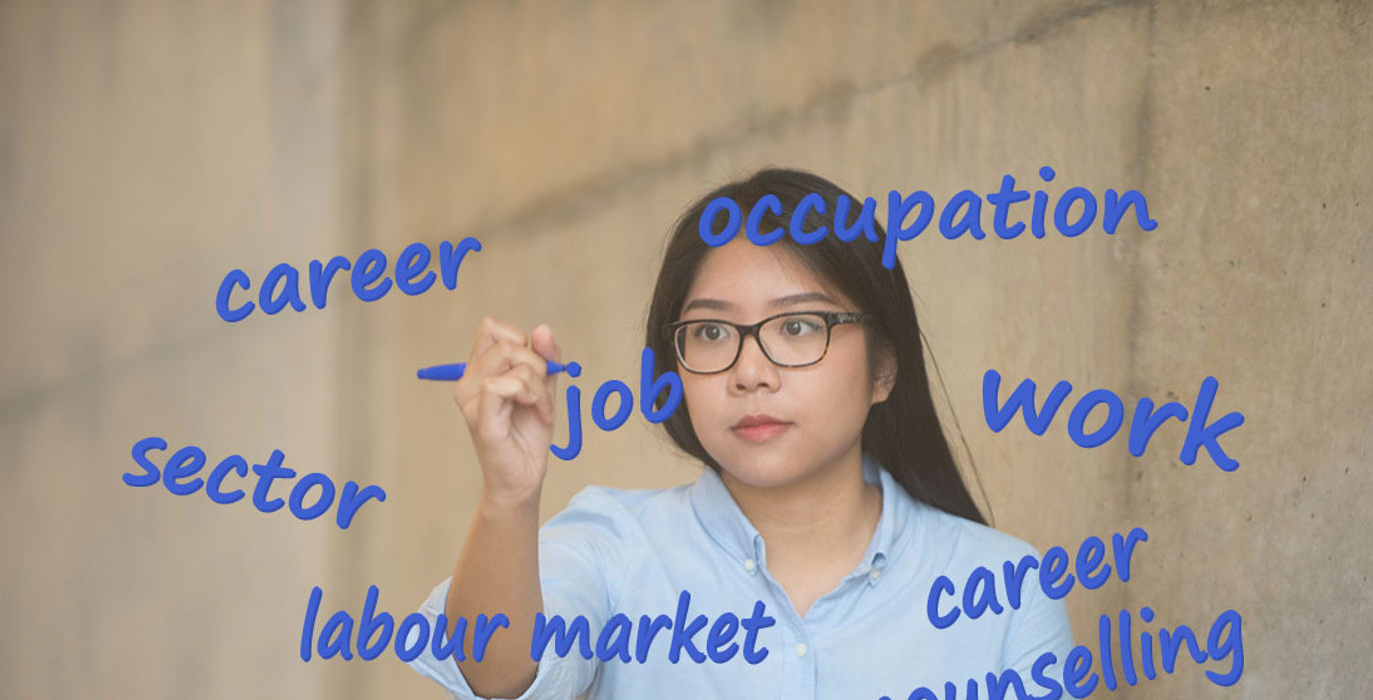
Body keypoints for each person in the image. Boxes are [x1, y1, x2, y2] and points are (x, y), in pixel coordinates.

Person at [403, 168, 1074, 699]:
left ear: (884, 368)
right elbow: (497, 673)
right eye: (712, 332)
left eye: (798, 327)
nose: (749, 372)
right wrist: (509, 497)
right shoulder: (616, 546)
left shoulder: (1006, 589)